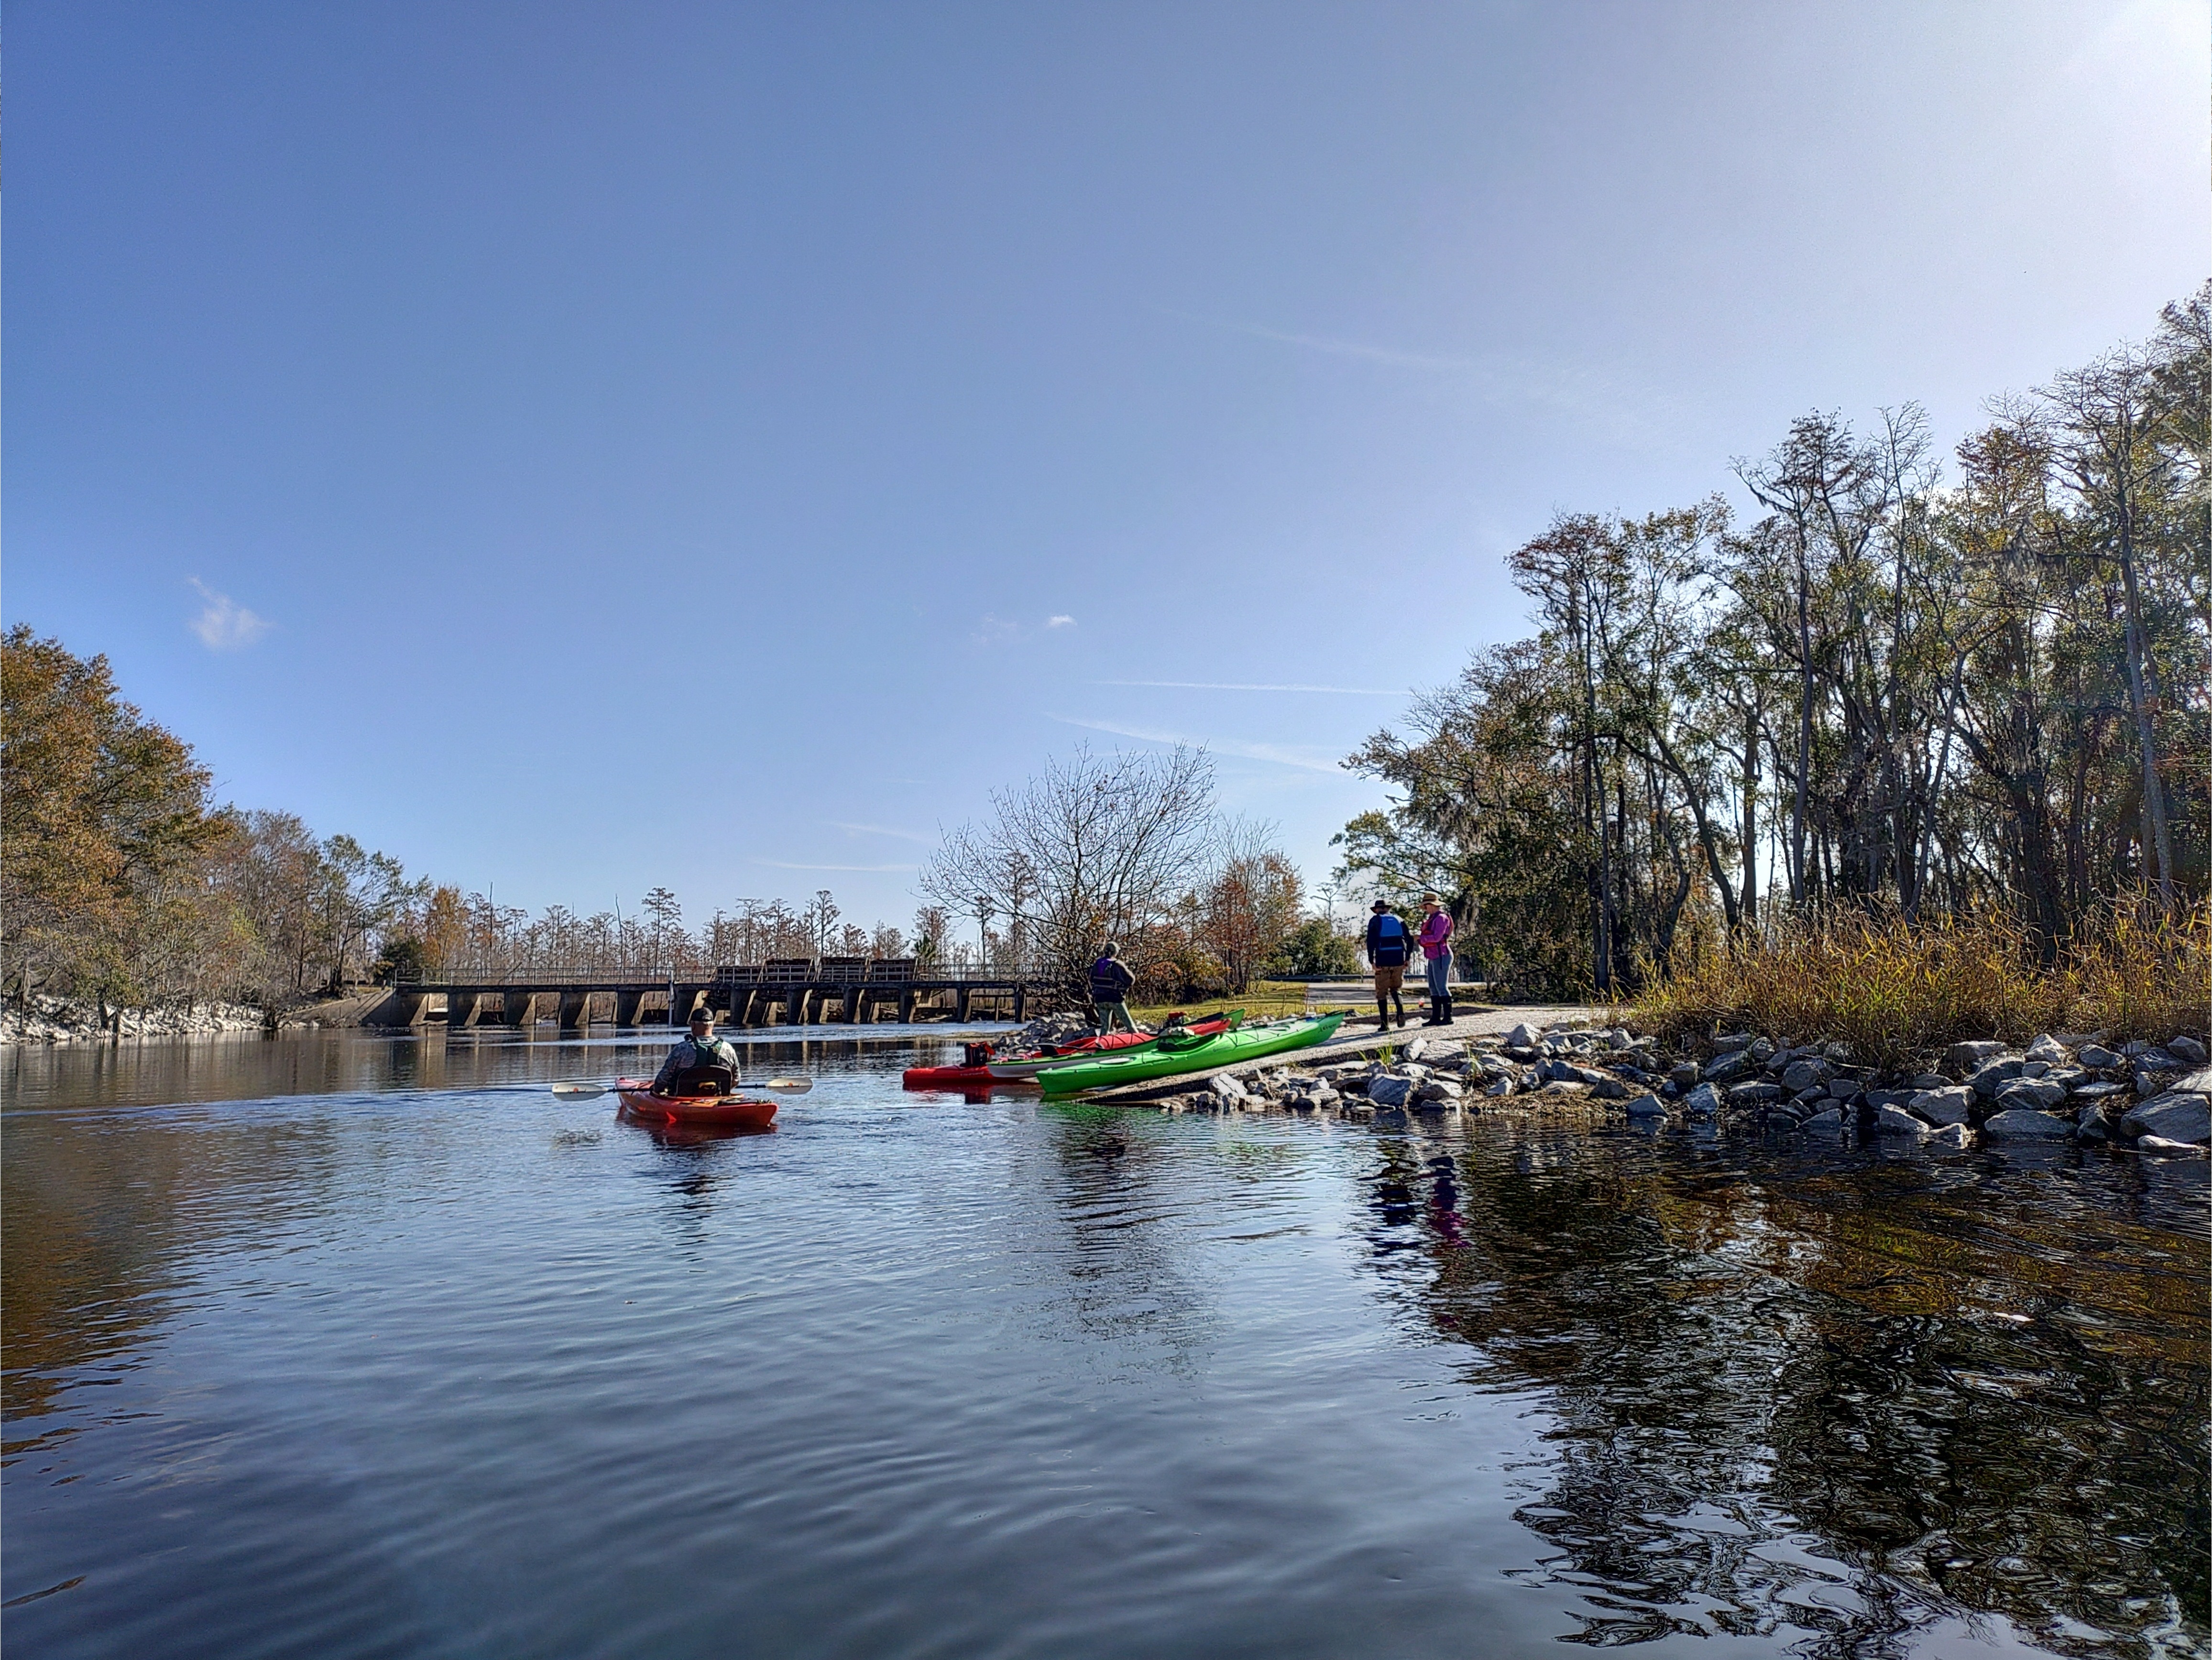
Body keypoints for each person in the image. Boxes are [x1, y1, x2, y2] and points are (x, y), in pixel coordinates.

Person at [652, 1006, 741, 1095]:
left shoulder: (682, 1049)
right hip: (716, 1099)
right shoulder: (728, 1049)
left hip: (683, 1100)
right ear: (713, 1025)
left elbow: (662, 1080)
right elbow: (736, 1079)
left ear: (693, 1025)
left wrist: (657, 1092)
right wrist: (722, 1092)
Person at [1364, 900, 1411, 1030]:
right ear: (1387, 909)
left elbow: (1371, 942)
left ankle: (1385, 1025)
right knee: (1396, 989)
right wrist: (1407, 958)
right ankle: (1400, 1012)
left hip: (1383, 960)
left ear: (1377, 910)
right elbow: (1409, 939)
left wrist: (1371, 961)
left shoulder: (1375, 921)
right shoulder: (1399, 920)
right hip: (1399, 960)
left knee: (1381, 993)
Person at [1417, 892, 1455, 1026]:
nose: (1425, 909)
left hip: (1442, 955)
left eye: (1426, 906)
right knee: (1433, 987)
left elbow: (1437, 938)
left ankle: (1448, 1017)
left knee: (1441, 987)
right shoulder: (1432, 919)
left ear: (1431, 905)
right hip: (1433, 956)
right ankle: (1435, 1018)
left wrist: (1420, 938)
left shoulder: (1441, 918)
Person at [1089, 942, 1137, 1033]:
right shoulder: (1117, 964)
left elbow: (1092, 979)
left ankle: (1102, 1044)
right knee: (1130, 1026)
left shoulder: (1097, 964)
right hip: (1114, 999)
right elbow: (1131, 980)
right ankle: (1140, 1044)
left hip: (1100, 999)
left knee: (1105, 1028)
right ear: (1115, 951)